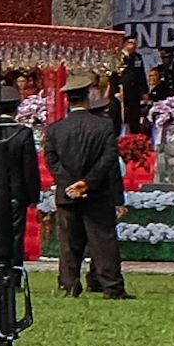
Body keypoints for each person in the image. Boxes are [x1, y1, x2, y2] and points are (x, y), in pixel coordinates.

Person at [43, 75, 128, 298]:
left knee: (69, 243)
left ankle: (69, 284)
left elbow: (51, 160)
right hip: (97, 192)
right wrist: (88, 182)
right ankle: (111, 286)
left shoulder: (55, 129)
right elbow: (110, 157)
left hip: (67, 193)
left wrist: (69, 184)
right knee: (103, 240)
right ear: (88, 96)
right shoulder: (103, 126)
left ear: (68, 100)